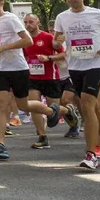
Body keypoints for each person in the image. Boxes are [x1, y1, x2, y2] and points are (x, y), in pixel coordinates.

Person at [0, 0, 60, 161]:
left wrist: (3, 48)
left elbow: (28, 41)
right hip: (0, 69)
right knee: (0, 104)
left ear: (1, 3)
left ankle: (50, 110)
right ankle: (0, 144)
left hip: (18, 69)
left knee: (23, 106)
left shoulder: (10, 19)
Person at [53, 0, 100, 171]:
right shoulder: (62, 17)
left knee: (87, 105)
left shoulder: (97, 14)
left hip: (95, 65)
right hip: (74, 65)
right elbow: (56, 42)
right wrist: (57, 43)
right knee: (93, 110)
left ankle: (91, 154)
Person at [23, 13, 64, 149]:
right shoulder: (24, 40)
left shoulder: (48, 37)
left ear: (38, 22)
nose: (28, 25)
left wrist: (48, 58)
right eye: (26, 22)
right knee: (34, 106)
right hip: (33, 78)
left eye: (31, 22)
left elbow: (63, 54)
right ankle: (42, 136)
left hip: (50, 78)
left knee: (54, 111)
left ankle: (69, 112)